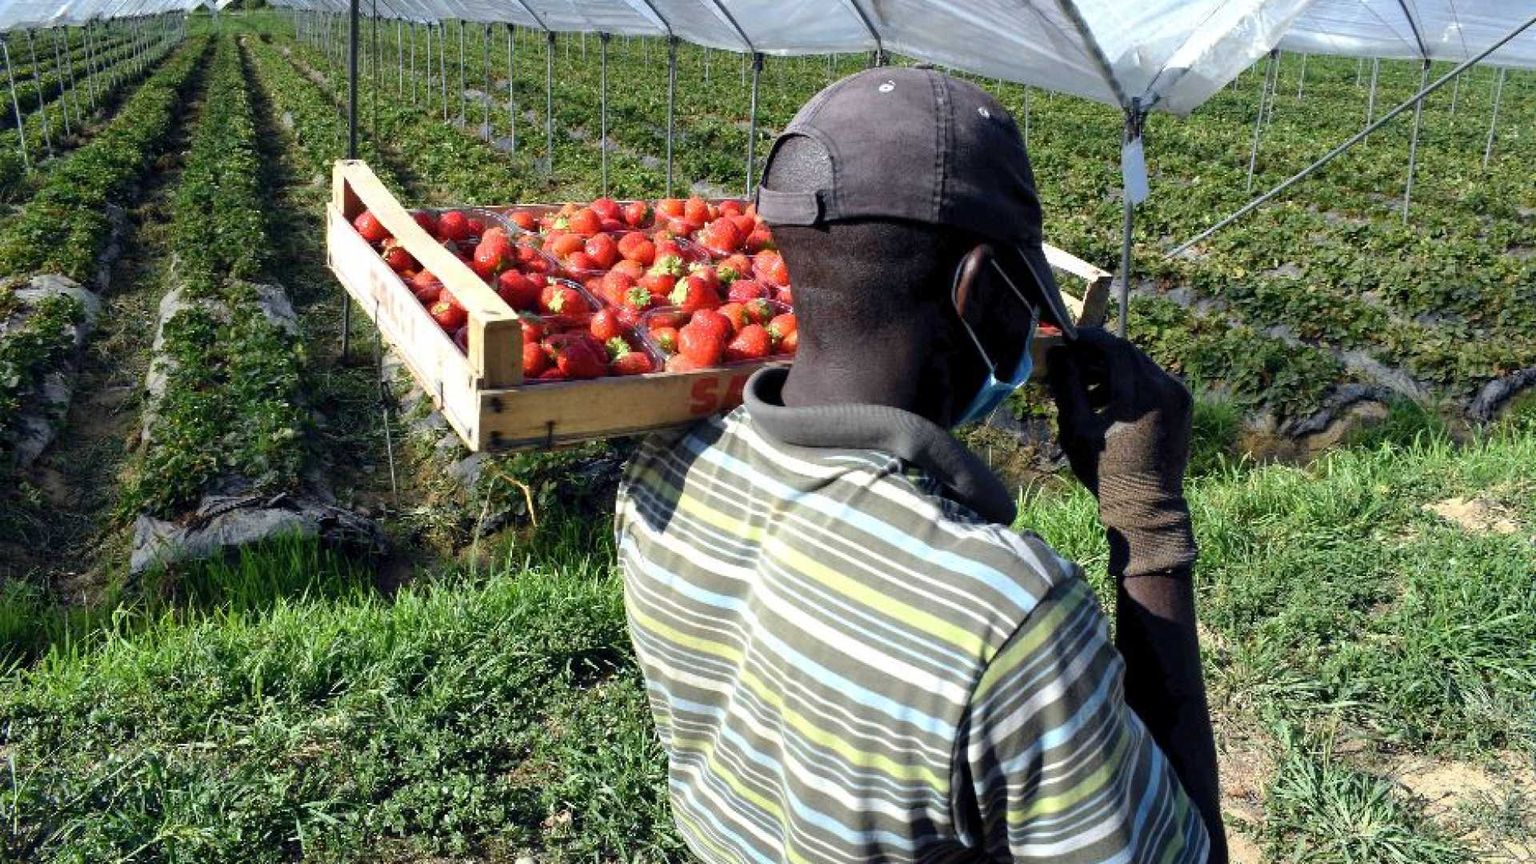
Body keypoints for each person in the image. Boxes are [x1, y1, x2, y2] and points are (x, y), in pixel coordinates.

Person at [615, 67, 1227, 864]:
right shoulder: (1004, 616)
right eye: (1026, 294)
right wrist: (1148, 526)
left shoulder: (662, 474)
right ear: (978, 292)